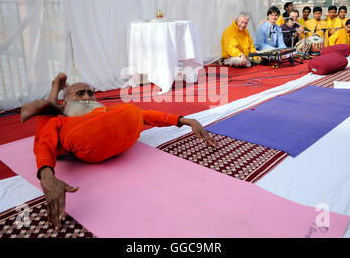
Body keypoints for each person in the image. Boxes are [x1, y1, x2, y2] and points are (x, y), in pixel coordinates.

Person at [21, 73, 219, 228]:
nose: (88, 97)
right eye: (80, 94)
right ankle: (56, 86)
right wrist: (46, 176)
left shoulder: (109, 109)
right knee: (45, 119)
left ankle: (57, 87)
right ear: (67, 102)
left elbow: (147, 115)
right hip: (66, 126)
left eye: (90, 93)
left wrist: (184, 120)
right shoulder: (61, 121)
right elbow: (43, 143)